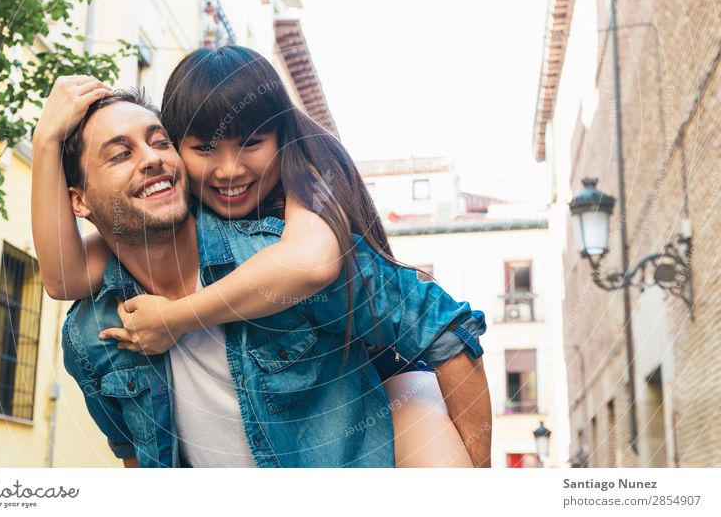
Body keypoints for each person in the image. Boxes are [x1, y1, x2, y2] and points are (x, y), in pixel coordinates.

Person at [31, 52, 491, 468]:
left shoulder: (300, 194)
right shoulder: (93, 334)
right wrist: (46, 140)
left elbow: (316, 265)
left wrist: (176, 318)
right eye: (120, 153)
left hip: (396, 383)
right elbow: (61, 277)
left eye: (158, 142)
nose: (230, 169)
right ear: (79, 200)